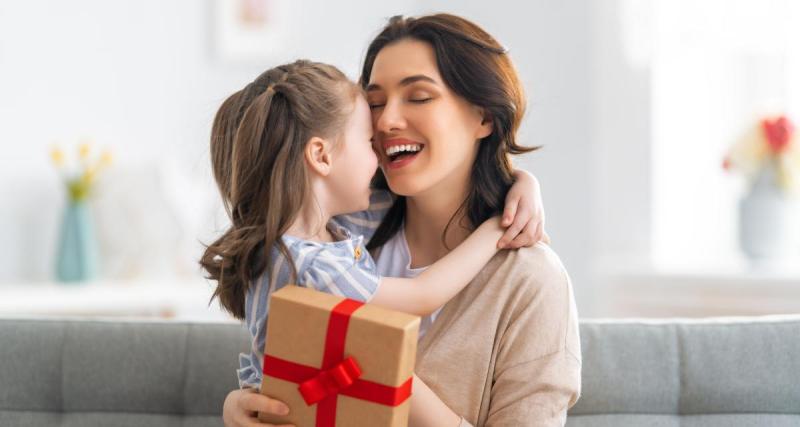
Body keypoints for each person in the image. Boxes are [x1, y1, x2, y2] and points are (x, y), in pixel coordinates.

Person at [220, 13, 580, 427]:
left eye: (419, 96)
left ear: (485, 116)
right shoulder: (343, 233)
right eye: (374, 104)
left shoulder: (530, 280)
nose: (386, 121)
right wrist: (238, 406)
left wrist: (521, 182)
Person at [200, 59, 543, 390]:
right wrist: (499, 226)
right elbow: (422, 295)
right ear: (321, 156)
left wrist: (520, 181)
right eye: (367, 141)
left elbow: (440, 188)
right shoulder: (312, 267)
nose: (379, 151)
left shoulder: (328, 227)